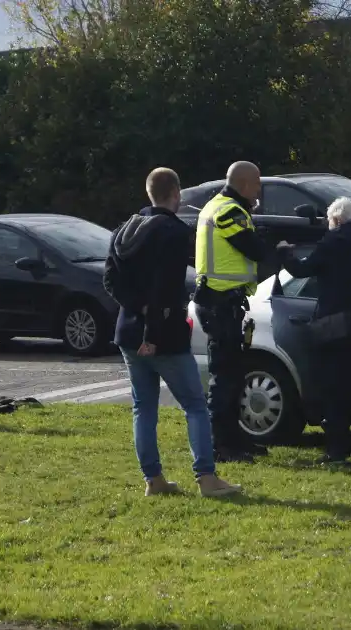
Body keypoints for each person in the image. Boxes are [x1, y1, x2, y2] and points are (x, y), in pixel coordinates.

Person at [104, 167, 242, 498]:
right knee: (195, 404)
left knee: (144, 407)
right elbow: (166, 288)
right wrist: (152, 329)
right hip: (163, 334)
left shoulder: (124, 229)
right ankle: (206, 478)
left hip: (128, 331)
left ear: (149, 193)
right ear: (176, 194)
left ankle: (154, 480)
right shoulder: (173, 233)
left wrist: (137, 310)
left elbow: (110, 281)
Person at [278, 197, 351, 463]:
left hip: (339, 327)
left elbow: (302, 269)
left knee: (335, 388)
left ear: (337, 220)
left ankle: (337, 448)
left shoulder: (332, 243)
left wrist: (284, 251)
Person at [192, 161, 278, 463]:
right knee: (224, 377)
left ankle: (235, 439)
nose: (259, 191)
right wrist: (279, 252)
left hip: (223, 302)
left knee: (233, 374)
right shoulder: (228, 210)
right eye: (256, 184)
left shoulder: (217, 206)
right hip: (219, 303)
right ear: (243, 184)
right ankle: (221, 445)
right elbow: (251, 248)